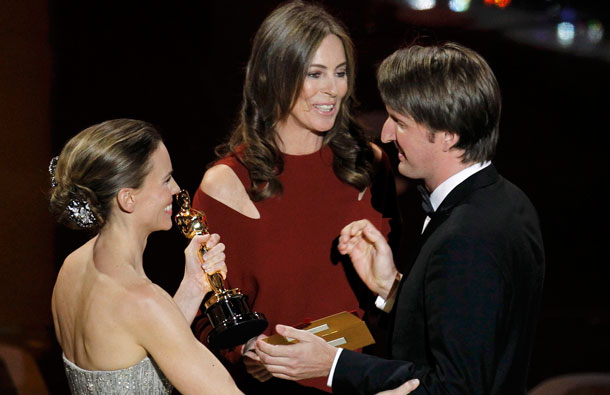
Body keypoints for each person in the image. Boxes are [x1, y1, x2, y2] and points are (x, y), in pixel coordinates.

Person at [255, 42, 545, 394]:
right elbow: (472, 331)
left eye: (400, 122)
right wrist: (392, 288)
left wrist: (331, 364)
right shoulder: (507, 200)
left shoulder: (467, 236)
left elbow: (457, 387)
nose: (387, 134)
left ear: (448, 135)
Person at [191, 1, 399, 393]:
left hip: (370, 382)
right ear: (272, 77)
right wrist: (247, 348)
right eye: (314, 74)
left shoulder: (370, 165)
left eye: (340, 73)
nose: (333, 90)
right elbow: (204, 312)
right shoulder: (225, 184)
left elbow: (410, 290)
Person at [49, 119, 243, 394]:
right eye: (165, 180)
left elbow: (142, 341)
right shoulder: (143, 301)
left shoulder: (72, 266)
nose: (176, 189)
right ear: (128, 198)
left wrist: (193, 284)